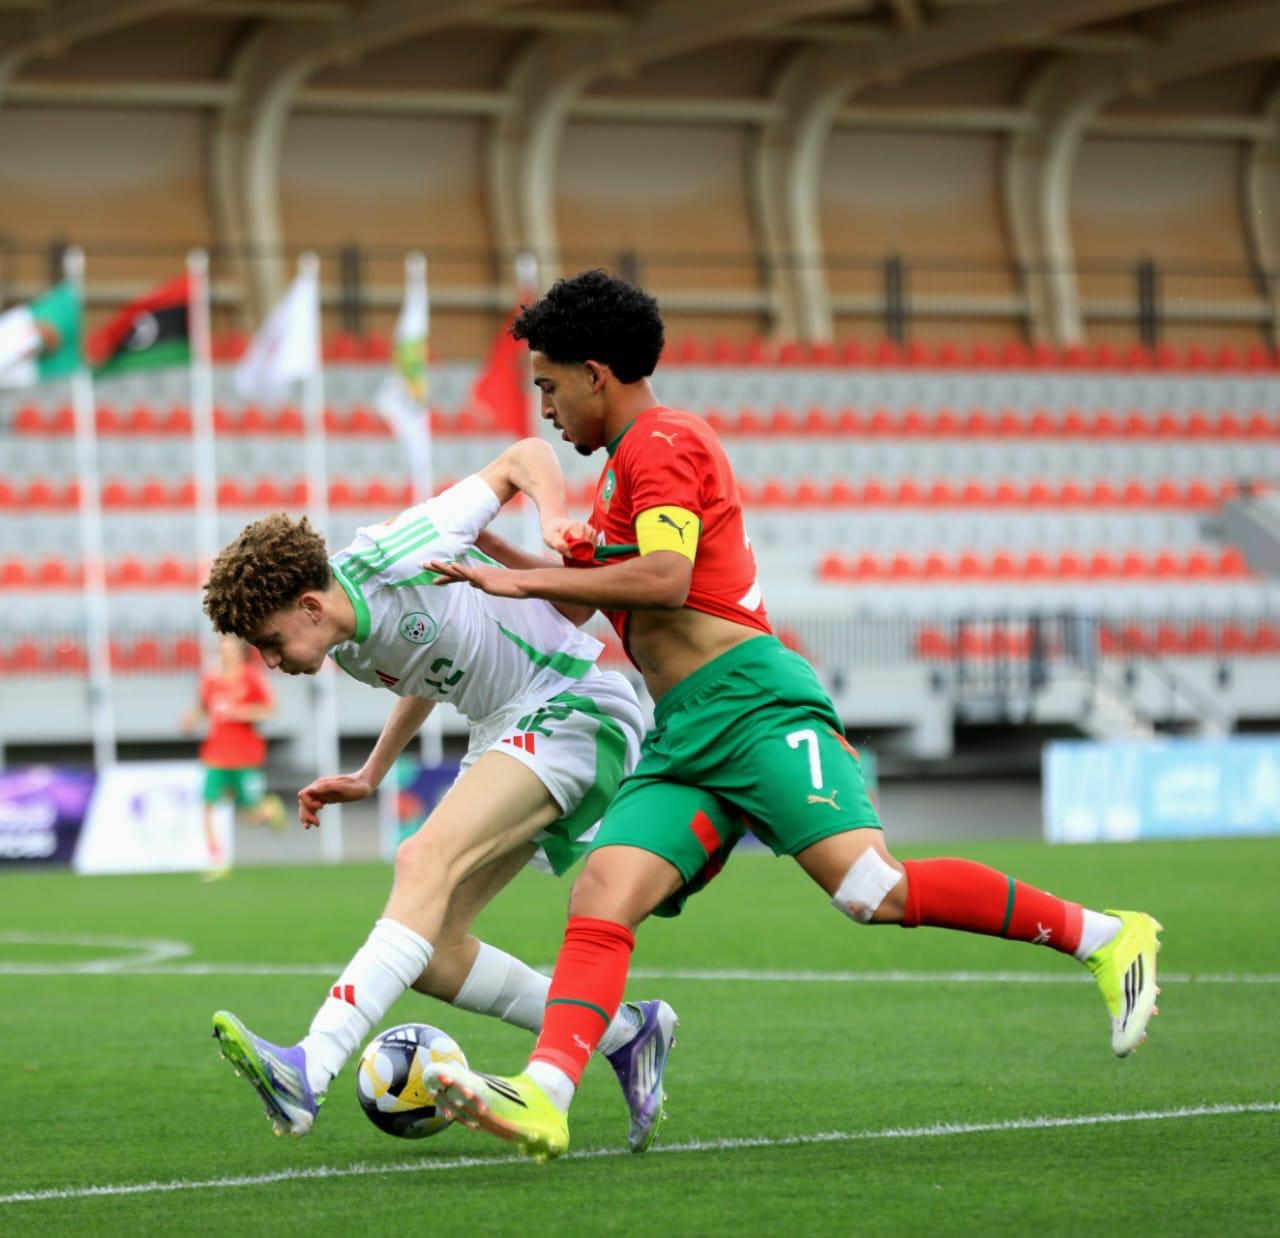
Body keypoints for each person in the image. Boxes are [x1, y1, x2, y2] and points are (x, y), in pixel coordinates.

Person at [420, 269, 1164, 1162]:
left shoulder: (664, 443)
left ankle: (1107, 937)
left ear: (594, 374)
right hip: (686, 731)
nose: (545, 408)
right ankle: (545, 1095)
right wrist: (478, 550)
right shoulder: (624, 469)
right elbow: (586, 601)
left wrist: (522, 578)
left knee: (871, 891)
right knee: (603, 891)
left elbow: (667, 580)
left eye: (549, 386)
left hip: (755, 706)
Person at [202, 435, 676, 1152]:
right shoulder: (345, 644)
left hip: (573, 702)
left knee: (421, 859)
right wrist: (371, 773)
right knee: (432, 951)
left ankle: (310, 1065)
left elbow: (525, 455)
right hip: (506, 727)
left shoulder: (399, 549)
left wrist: (553, 523)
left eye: (270, 642)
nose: (269, 662)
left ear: (309, 605)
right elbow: (429, 667)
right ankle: (625, 1034)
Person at [181, 634, 288, 880]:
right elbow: (203, 707)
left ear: (240, 653)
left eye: (229, 649)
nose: (225, 653)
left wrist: (238, 712)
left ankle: (269, 810)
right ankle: (216, 860)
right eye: (222, 649)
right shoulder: (211, 679)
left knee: (249, 812)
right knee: (207, 806)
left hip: (245, 756)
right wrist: (192, 717)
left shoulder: (251, 678)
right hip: (215, 754)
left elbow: (270, 710)